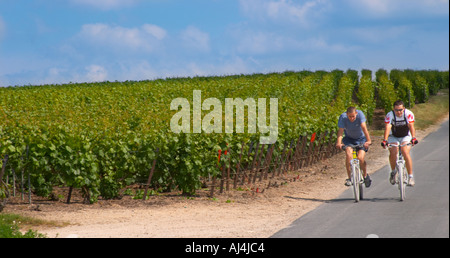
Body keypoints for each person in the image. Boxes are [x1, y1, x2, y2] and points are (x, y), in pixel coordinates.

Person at [381, 100, 418, 186]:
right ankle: (393, 171)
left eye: (400, 110)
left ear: (404, 108)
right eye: (397, 110)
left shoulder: (408, 114)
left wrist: (413, 137)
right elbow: (388, 126)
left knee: (405, 151)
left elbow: (411, 125)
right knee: (393, 151)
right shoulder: (390, 115)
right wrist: (385, 140)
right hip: (393, 136)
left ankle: (410, 176)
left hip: (405, 135)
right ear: (394, 109)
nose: (399, 112)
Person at [336, 107, 372, 187]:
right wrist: (339, 143)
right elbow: (340, 131)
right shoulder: (343, 117)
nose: (352, 118)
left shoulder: (360, 115)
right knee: (349, 155)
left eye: (353, 116)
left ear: (356, 113)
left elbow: (364, 128)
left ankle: (365, 175)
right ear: (347, 115)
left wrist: (368, 140)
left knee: (360, 158)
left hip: (361, 139)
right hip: (349, 139)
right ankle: (349, 178)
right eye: (350, 116)